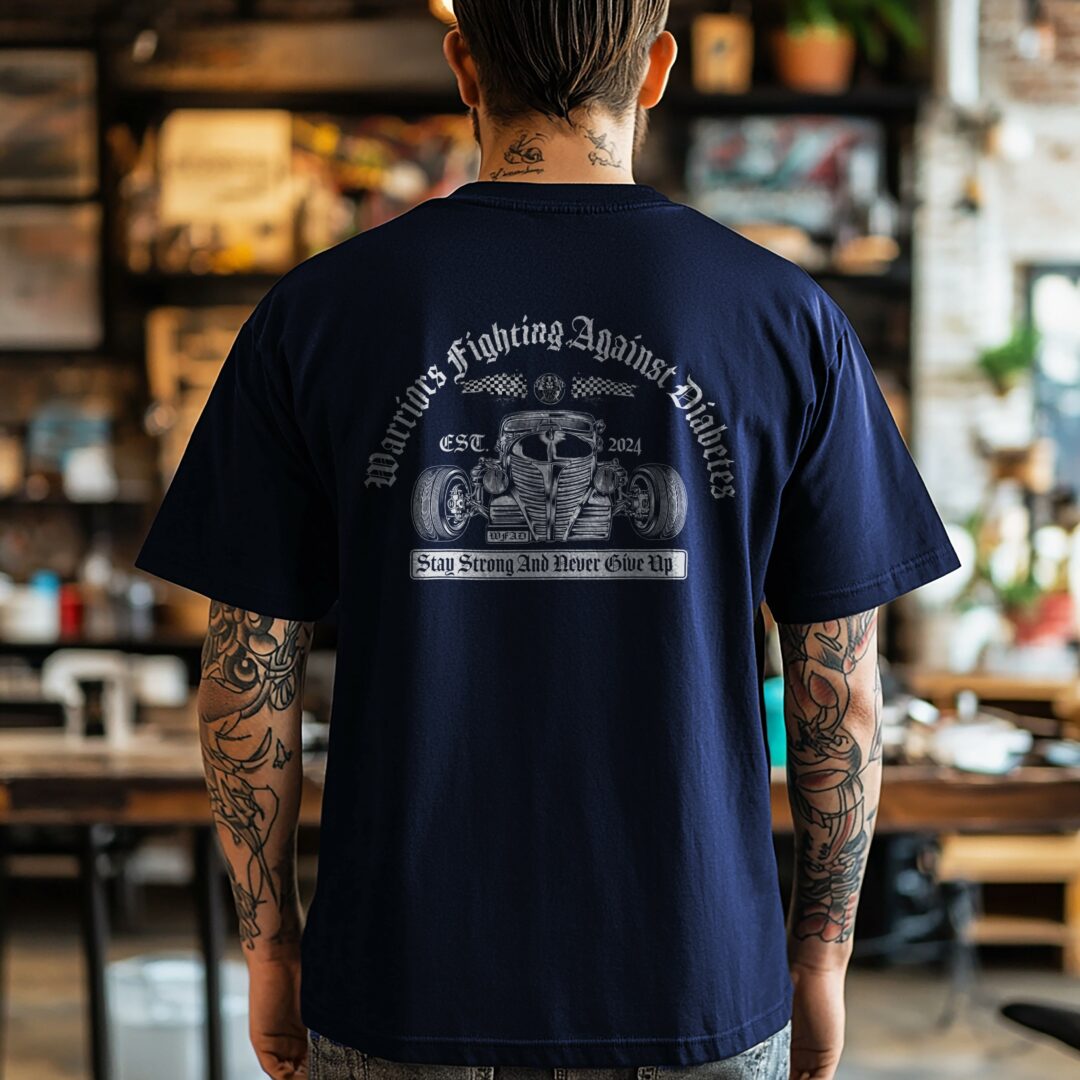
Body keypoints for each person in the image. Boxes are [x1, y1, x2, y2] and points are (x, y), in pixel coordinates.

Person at [134, 3, 961, 1079]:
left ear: (463, 65)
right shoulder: (788, 319)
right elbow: (841, 694)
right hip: (696, 975)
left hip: (402, 975)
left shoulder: (316, 312)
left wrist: (271, 947)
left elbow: (242, 687)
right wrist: (821, 957)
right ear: (656, 68)